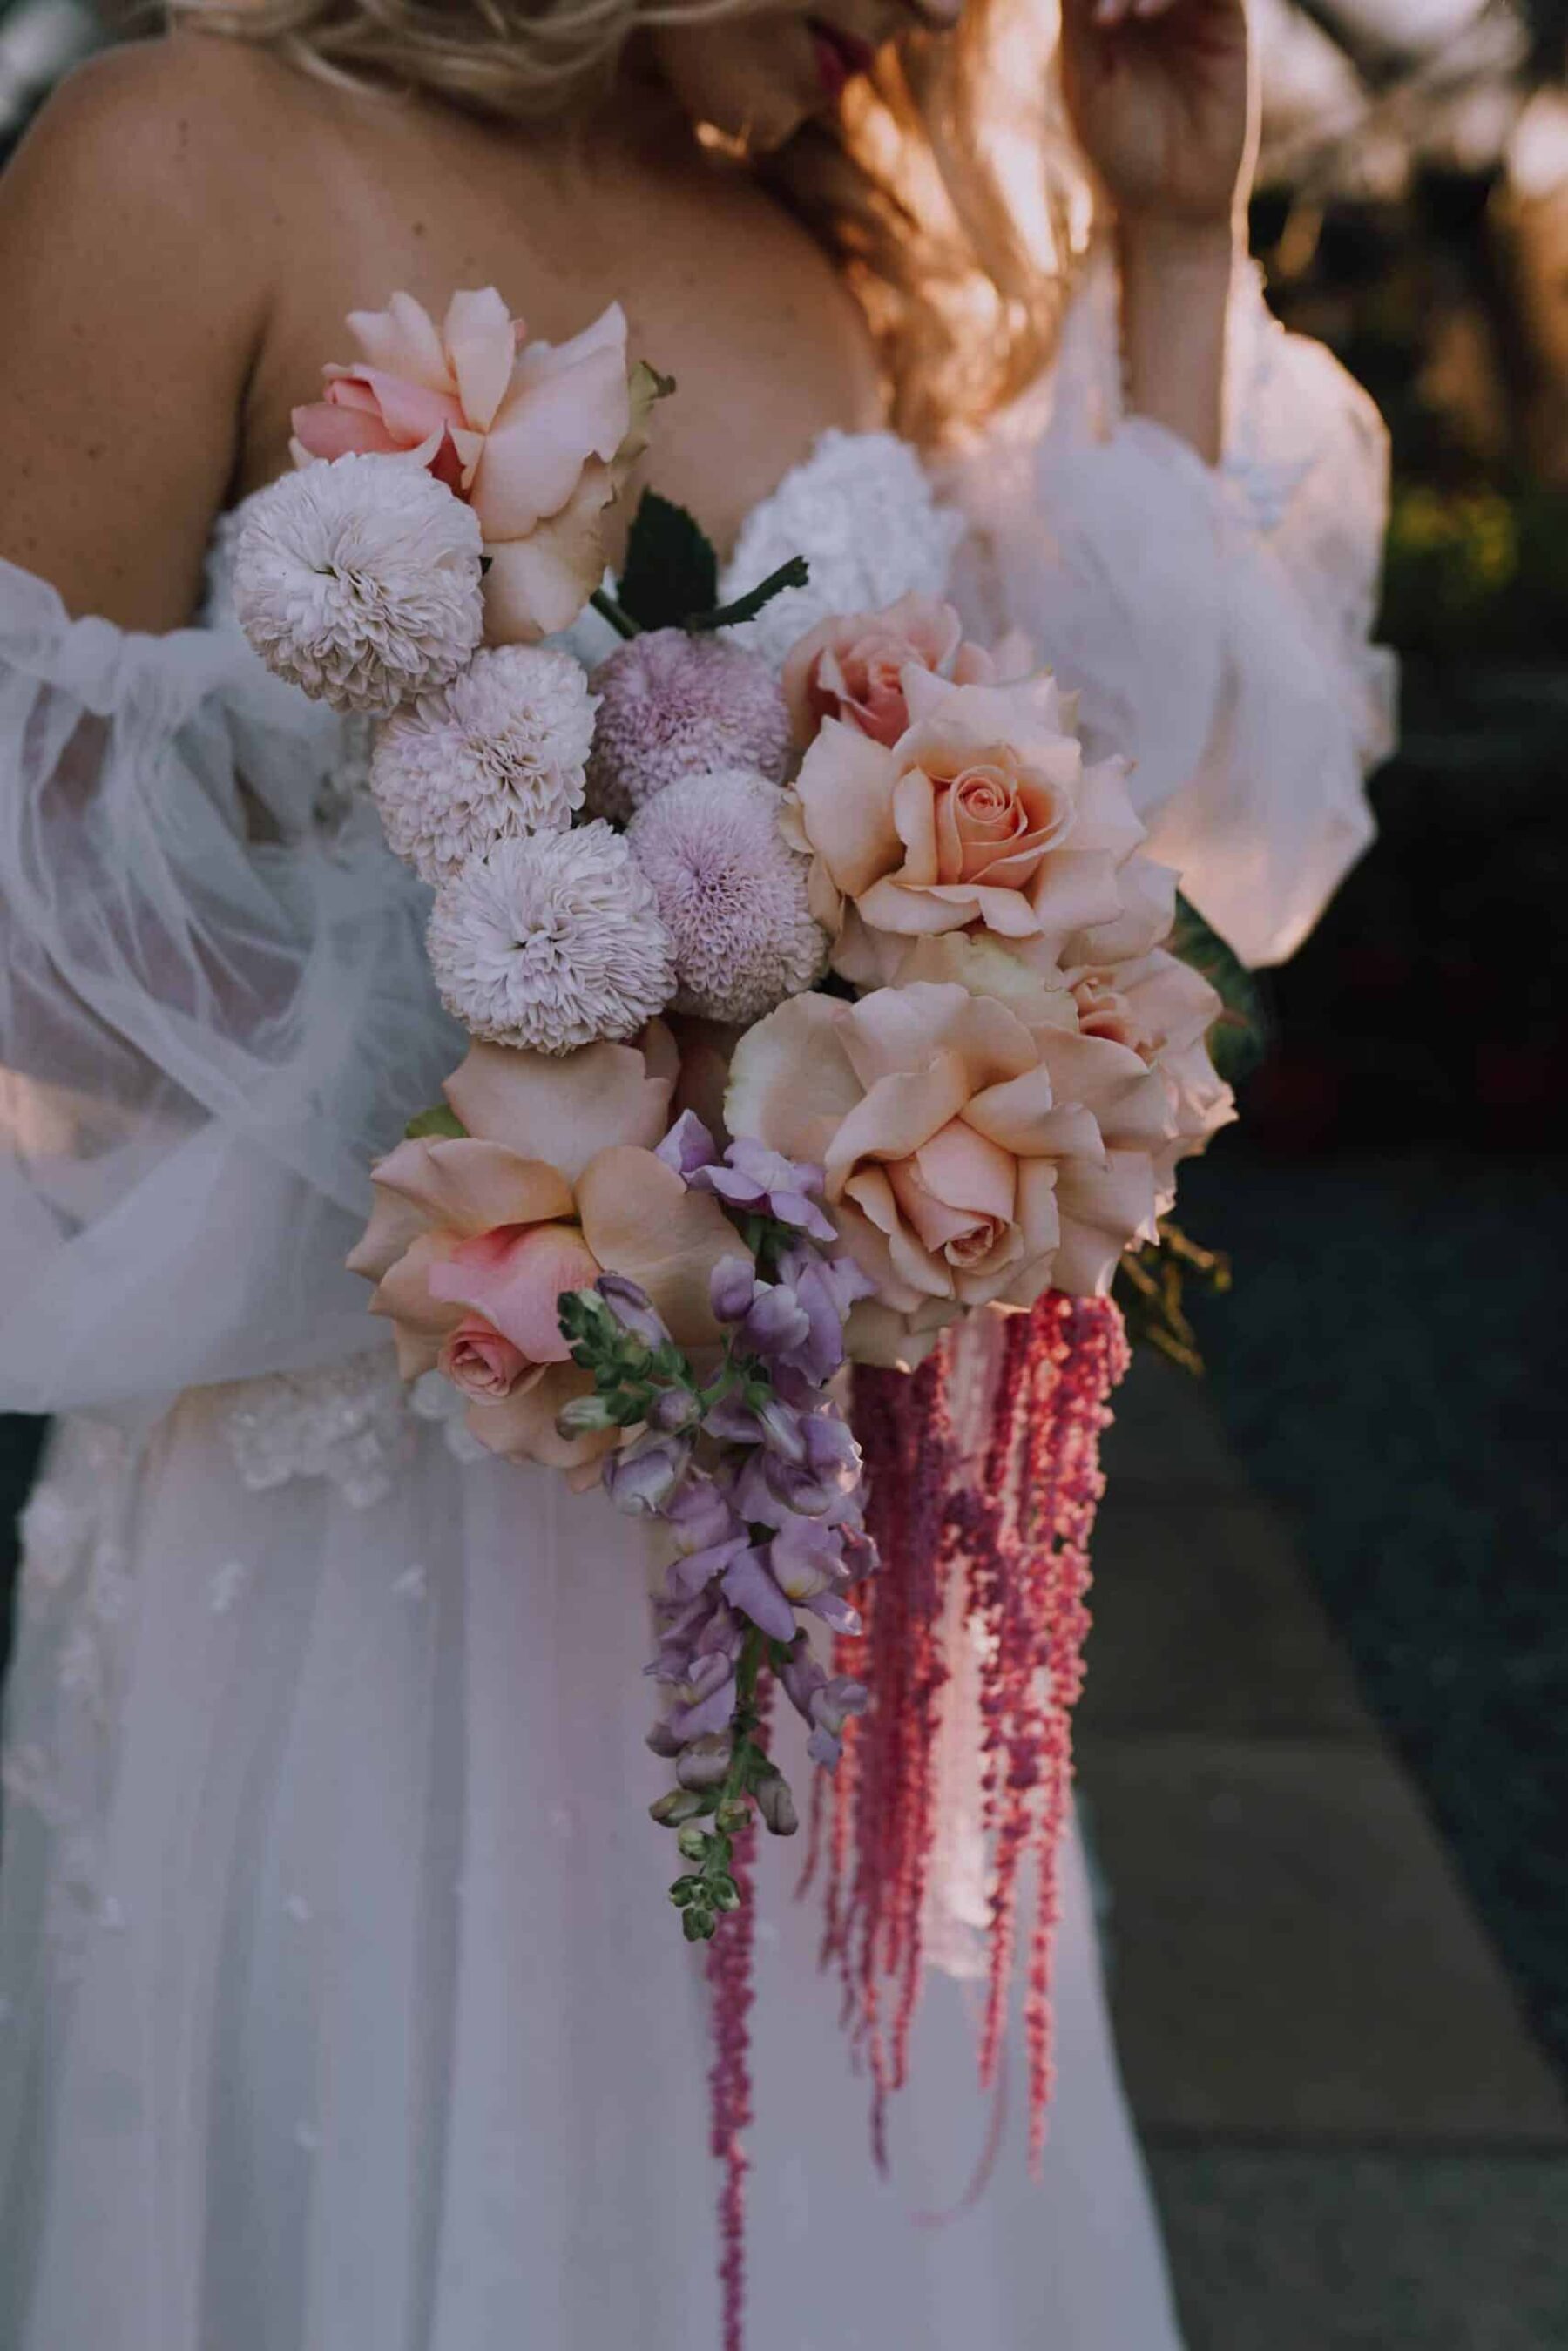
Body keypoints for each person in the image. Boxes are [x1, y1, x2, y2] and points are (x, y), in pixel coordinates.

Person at [0, 0, 1392, 2342]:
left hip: (827, 1619)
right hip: (367, 1572)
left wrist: (1170, 234)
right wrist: (545, 1013)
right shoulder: (184, 152)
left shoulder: (827, 257)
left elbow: (1187, 843)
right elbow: (32, 921)